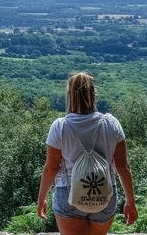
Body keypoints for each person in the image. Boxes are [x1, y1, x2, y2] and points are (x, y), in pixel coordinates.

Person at [36, 72, 138, 235]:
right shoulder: (111, 124)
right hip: (104, 194)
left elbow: (51, 168)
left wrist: (41, 199)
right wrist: (130, 201)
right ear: (93, 93)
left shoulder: (59, 127)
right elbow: (123, 167)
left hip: (69, 195)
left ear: (69, 95)